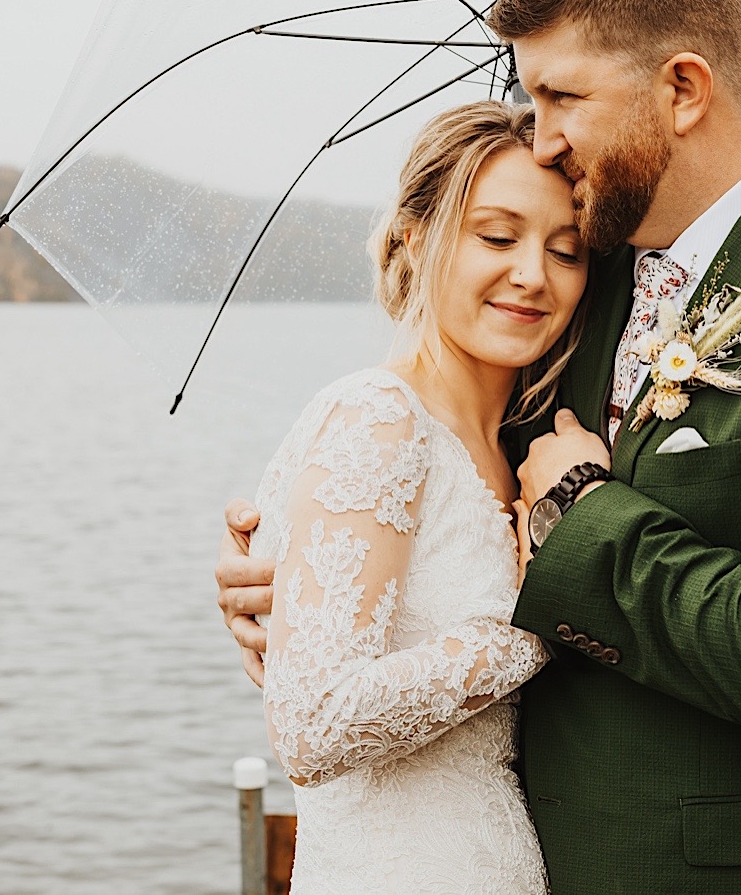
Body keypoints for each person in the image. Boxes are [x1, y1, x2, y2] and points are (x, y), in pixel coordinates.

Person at [219, 0, 741, 891]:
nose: (542, 140)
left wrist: (581, 516)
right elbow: (447, 502)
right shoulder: (598, 263)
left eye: (561, 96)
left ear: (681, 89)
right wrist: (296, 590)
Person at [245, 99, 587, 892]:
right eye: (497, 237)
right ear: (416, 236)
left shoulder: (521, 450)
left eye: (566, 251)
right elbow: (311, 723)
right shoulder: (378, 418)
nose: (532, 274)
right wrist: (542, 618)